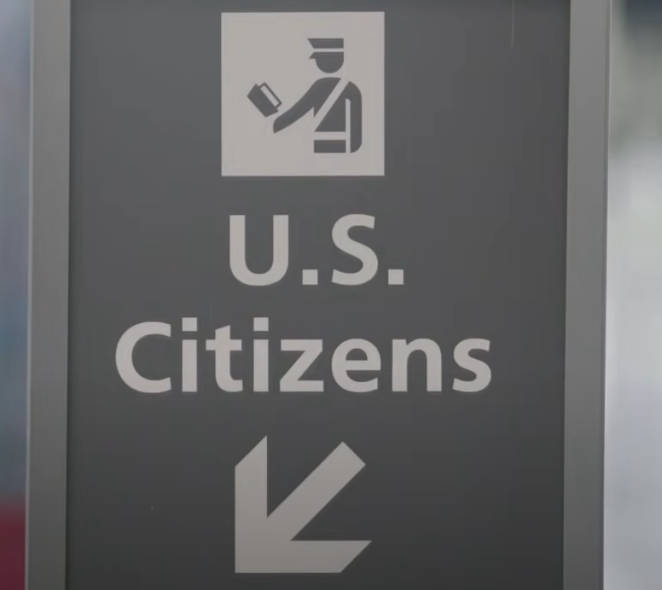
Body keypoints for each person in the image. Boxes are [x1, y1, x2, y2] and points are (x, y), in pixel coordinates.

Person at [273, 38, 362, 153]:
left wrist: (274, 124)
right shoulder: (352, 88)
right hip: (348, 147)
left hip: (323, 147)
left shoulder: (321, 86)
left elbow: (296, 112)